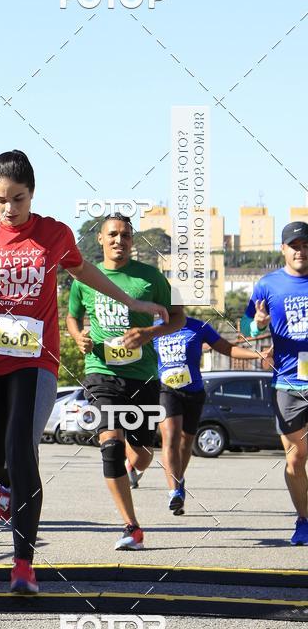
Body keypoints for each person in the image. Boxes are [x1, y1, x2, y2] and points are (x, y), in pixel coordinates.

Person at [0, 150, 169, 594]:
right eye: (0, 200)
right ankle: (6, 485)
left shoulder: (53, 233)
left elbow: (85, 271)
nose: (9, 209)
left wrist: (131, 303)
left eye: (18, 199)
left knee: (21, 449)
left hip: (35, 360)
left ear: (32, 193)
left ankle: (23, 565)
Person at [67, 213, 185, 551]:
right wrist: (79, 338)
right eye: (113, 235)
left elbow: (178, 318)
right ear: (101, 240)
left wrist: (149, 332)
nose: (120, 241)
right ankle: (131, 527)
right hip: (101, 371)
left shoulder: (152, 279)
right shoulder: (84, 278)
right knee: (111, 443)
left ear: (132, 241)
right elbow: (72, 317)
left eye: (126, 236)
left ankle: (134, 469)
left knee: (144, 451)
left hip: (143, 375)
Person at [241, 221, 308, 545]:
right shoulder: (268, 285)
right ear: (283, 249)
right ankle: (304, 520)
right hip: (289, 383)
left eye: (306, 244)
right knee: (296, 458)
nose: (300, 250)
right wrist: (257, 323)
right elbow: (246, 324)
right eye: (294, 245)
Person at [154, 316, 263, 515]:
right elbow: (133, 347)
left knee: (186, 443)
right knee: (170, 437)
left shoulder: (198, 326)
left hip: (193, 392)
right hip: (166, 390)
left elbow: (227, 348)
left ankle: (179, 479)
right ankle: (174, 491)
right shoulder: (153, 329)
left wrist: (257, 355)